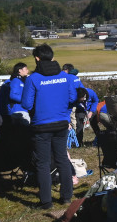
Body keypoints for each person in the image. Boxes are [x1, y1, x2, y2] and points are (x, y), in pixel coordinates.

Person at [22, 44, 78, 210]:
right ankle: (67, 196)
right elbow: (73, 98)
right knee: (62, 158)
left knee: (43, 163)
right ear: (52, 57)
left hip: (41, 126)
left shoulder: (33, 79)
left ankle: (46, 201)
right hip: (61, 124)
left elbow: (26, 103)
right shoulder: (65, 77)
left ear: (37, 58)